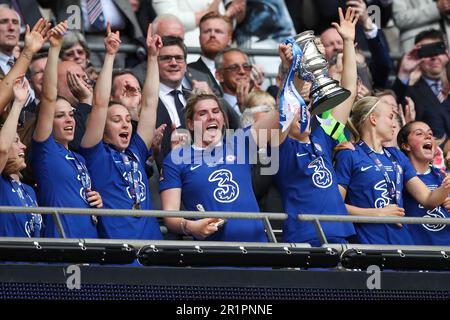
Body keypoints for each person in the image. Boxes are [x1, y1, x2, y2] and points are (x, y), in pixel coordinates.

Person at [273, 7, 358, 247]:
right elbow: (289, 101)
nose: (303, 114)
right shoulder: (281, 147)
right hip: (303, 236)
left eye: (306, 110)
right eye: (297, 111)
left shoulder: (322, 135)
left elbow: (348, 91)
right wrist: (294, 68)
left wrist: (348, 41)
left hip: (340, 232)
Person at [79, 23, 162, 240]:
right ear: (102, 127)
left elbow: (150, 103)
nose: (126, 124)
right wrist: (110, 55)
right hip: (118, 248)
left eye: (127, 119)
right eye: (116, 120)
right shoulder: (95, 153)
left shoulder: (136, 150)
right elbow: (99, 104)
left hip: (152, 245)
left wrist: (153, 57)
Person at [334, 96, 450, 245]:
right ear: (373, 119)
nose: (395, 125)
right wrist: (377, 213)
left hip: (402, 243)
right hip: (369, 242)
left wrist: (446, 186)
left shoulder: (397, 156)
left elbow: (428, 200)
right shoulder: (349, 154)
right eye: (390, 117)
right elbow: (335, 205)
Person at [31, 21, 101, 238]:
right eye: (60, 116)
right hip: (62, 243)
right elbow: (50, 95)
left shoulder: (79, 158)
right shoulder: (45, 150)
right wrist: (54, 48)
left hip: (90, 241)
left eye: (71, 114)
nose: (69, 120)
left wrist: (96, 199)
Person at [0, 76, 42, 237]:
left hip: (34, 262)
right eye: (16, 141)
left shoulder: (29, 190)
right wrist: (18, 104)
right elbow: (3, 148)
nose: (23, 146)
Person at [398, 121, 450, 245]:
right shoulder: (399, 175)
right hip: (418, 253)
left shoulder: (443, 175)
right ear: (406, 146)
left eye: (430, 134)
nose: (428, 136)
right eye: (419, 133)